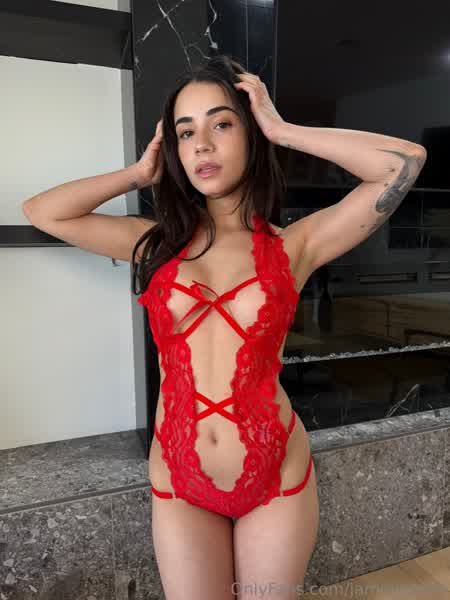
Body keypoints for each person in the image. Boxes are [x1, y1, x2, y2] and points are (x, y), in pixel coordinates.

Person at [23, 53, 426, 599]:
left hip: (274, 476)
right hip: (179, 481)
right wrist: (139, 173)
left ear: (251, 133)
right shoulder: (153, 244)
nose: (202, 146)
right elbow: (44, 212)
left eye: (222, 124)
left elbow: (404, 162)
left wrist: (282, 131)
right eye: (186, 132)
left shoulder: (296, 245)